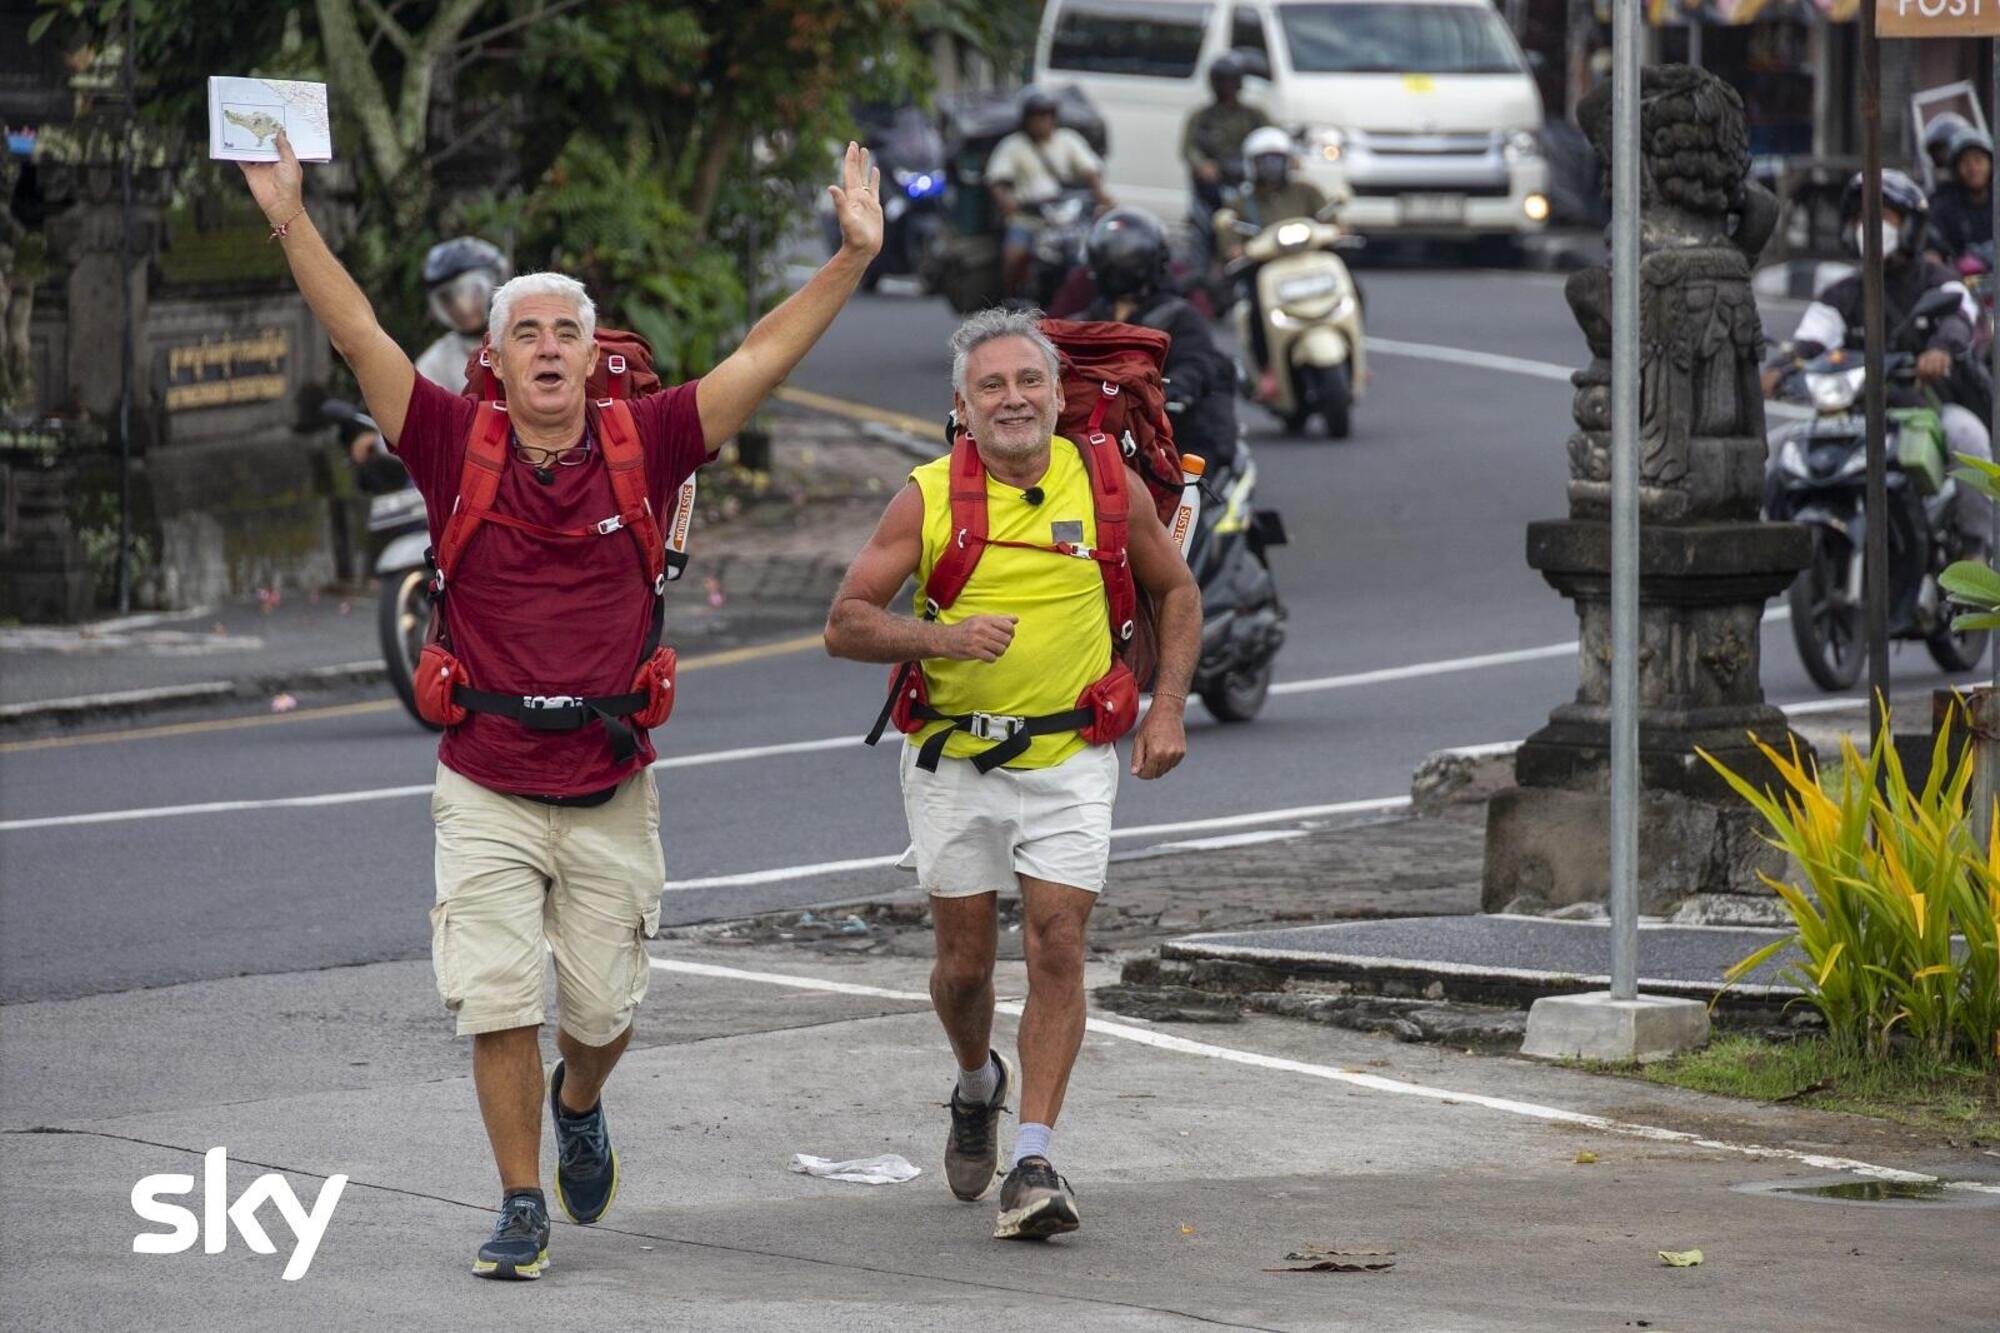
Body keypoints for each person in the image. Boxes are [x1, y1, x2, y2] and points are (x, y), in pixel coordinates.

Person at [239, 130, 883, 1281]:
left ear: (595, 357)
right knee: (495, 1000)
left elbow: (761, 356)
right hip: (482, 771)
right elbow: (358, 335)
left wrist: (849, 256)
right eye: (523, 332)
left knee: (599, 1011)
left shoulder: (655, 441)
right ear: (491, 357)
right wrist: (288, 216)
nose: (545, 347)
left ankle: (579, 1101)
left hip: (607, 773)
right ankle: (520, 1201)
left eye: (565, 332)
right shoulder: (449, 440)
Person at [824, 308, 1199, 1241]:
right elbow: (847, 621)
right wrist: (940, 637)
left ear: (1060, 394)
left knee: (1059, 943)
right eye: (991, 386)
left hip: (1073, 753)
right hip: (954, 755)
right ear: (963, 406)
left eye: (1029, 382)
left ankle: (1033, 1156)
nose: (1014, 400)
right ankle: (975, 1082)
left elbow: (1176, 590)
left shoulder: (1106, 482)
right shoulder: (926, 496)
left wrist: (1167, 706)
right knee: (961, 968)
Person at [1763, 169, 1992, 548]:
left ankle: (1974, 553)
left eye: (1883, 217)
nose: (1868, 227)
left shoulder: (1937, 280)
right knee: (1784, 459)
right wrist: (1778, 370)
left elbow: (1960, 316)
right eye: (1860, 218)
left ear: (1909, 226)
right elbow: (1811, 340)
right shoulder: (1842, 293)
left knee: (1969, 438)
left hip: (1929, 408)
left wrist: (1938, 351)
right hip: (1855, 415)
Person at [1081, 208, 1238, 467]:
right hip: (1104, 432)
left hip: (1172, 432)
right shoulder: (1088, 318)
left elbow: (1197, 362)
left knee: (1184, 497)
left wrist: (1173, 392)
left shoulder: (1179, 315)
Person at [349, 237, 509, 468]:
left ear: (497, 285)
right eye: (448, 298)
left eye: (470, 292)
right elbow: (414, 420)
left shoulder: (529, 338)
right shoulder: (437, 361)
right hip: (473, 470)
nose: (462, 307)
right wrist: (377, 444)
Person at [1224, 126, 1340, 401]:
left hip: (1308, 263)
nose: (1272, 167)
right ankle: (1269, 369)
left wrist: (1338, 229)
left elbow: (1329, 220)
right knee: (1256, 311)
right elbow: (1229, 233)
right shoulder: (1243, 201)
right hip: (1267, 271)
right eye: (1265, 161)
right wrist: (1234, 248)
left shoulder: (1306, 190)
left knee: (1352, 290)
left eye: (1277, 159)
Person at [987, 87, 1112, 299]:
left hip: (1068, 220)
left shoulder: (1068, 140)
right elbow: (996, 181)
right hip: (1029, 219)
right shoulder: (1013, 146)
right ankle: (1009, 301)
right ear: (1026, 120)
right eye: (1037, 116)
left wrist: (1103, 198)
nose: (1042, 121)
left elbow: (1091, 172)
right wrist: (1007, 202)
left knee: (1094, 257)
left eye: (1046, 115)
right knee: (1014, 256)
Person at [1180, 54, 1268, 226]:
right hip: (1218, 179)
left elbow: (1272, 137)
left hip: (1250, 175)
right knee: (1207, 213)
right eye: (1223, 81)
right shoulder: (1201, 117)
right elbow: (1189, 148)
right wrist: (1202, 165)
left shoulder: (1254, 115)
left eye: (1232, 81)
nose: (1228, 87)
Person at [1930, 126, 1994, 261]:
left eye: (1978, 160)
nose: (1973, 168)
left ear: (1991, 164)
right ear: (1955, 168)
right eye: (1965, 162)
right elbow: (1935, 249)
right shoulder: (1943, 205)